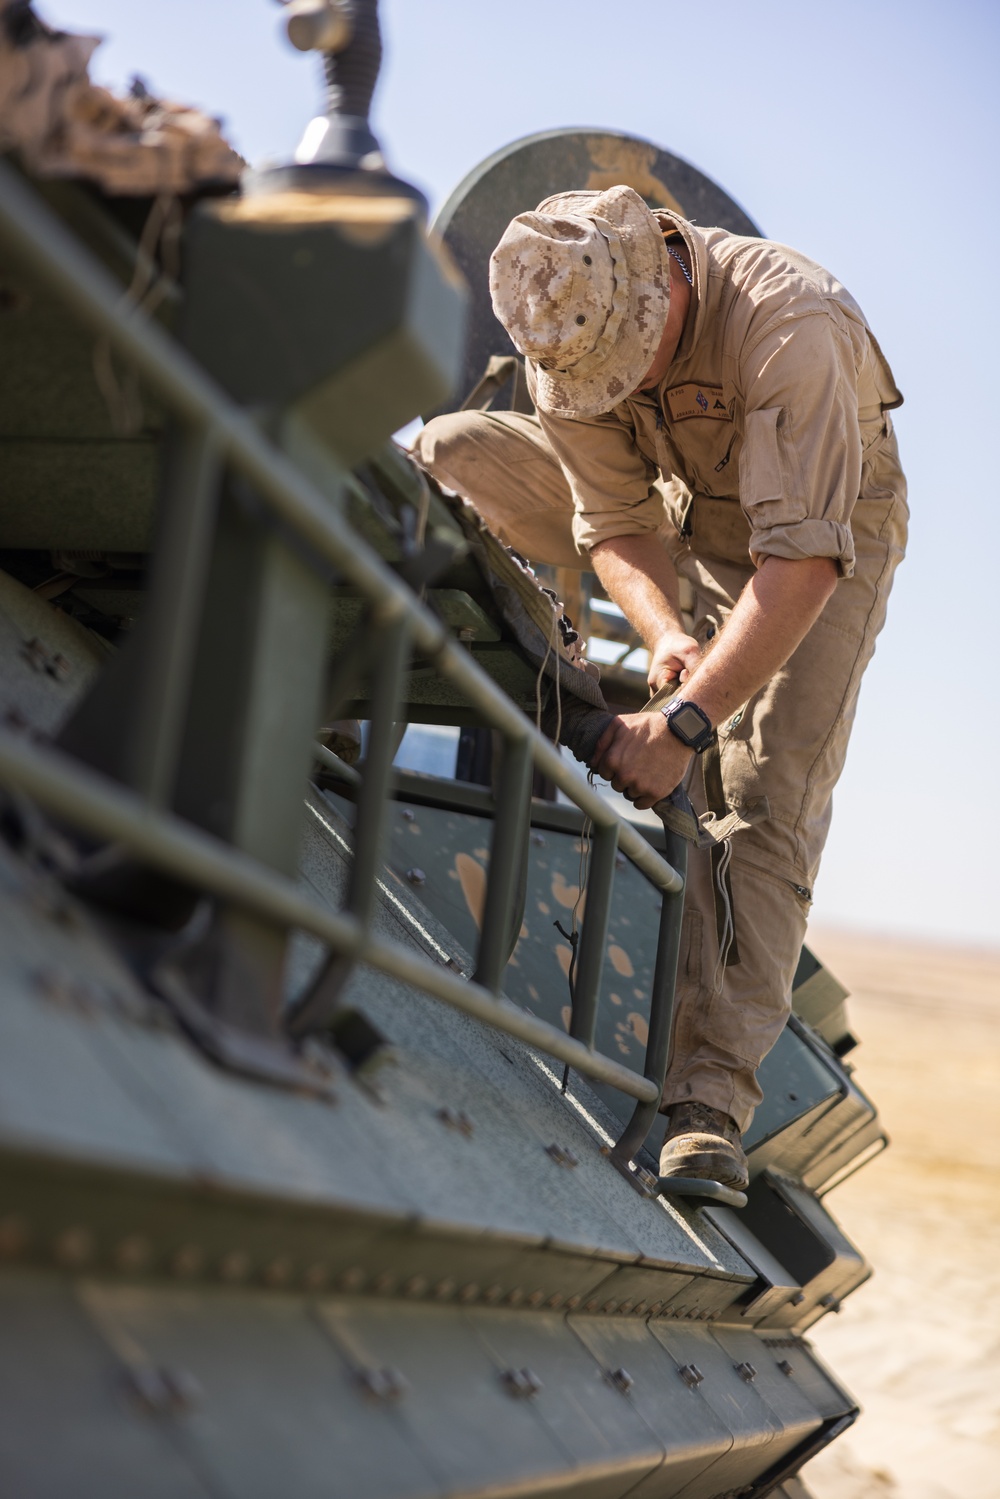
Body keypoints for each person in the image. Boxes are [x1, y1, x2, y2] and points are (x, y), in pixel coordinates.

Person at [412, 184, 907, 1190]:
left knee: (758, 789)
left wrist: (683, 720)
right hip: (680, 516)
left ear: (661, 274)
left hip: (812, 534)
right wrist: (665, 631)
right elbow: (614, 523)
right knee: (445, 455)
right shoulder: (566, 322)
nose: (609, 381)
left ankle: (707, 1102)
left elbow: (800, 568)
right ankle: (515, 681)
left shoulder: (789, 326)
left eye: (622, 363)